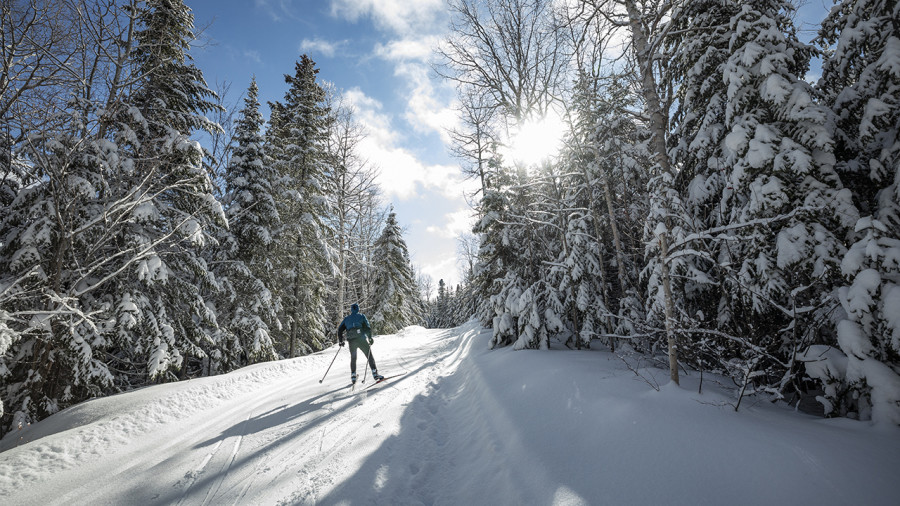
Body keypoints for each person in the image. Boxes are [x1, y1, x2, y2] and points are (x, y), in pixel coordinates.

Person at [337, 303, 384, 384]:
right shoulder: (361, 316)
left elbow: (340, 330)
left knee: (353, 358)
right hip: (361, 340)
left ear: (351, 310)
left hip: (352, 341)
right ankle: (375, 373)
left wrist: (341, 341)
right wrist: (369, 338)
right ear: (358, 309)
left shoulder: (347, 318)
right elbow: (367, 328)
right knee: (369, 356)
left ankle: (353, 375)